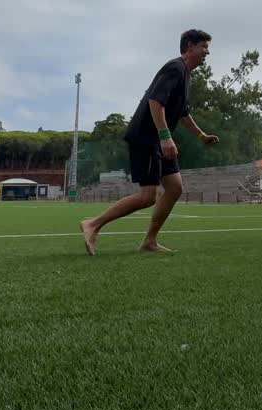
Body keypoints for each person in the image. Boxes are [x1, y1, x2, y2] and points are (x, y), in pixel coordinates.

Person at [80, 29, 219, 255]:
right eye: (204, 47)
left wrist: (201, 136)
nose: (207, 52)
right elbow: (155, 101)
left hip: (158, 139)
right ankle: (93, 224)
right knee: (148, 196)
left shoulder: (186, 75)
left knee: (174, 188)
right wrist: (165, 137)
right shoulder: (175, 68)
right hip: (146, 137)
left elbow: (183, 113)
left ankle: (149, 241)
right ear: (190, 46)